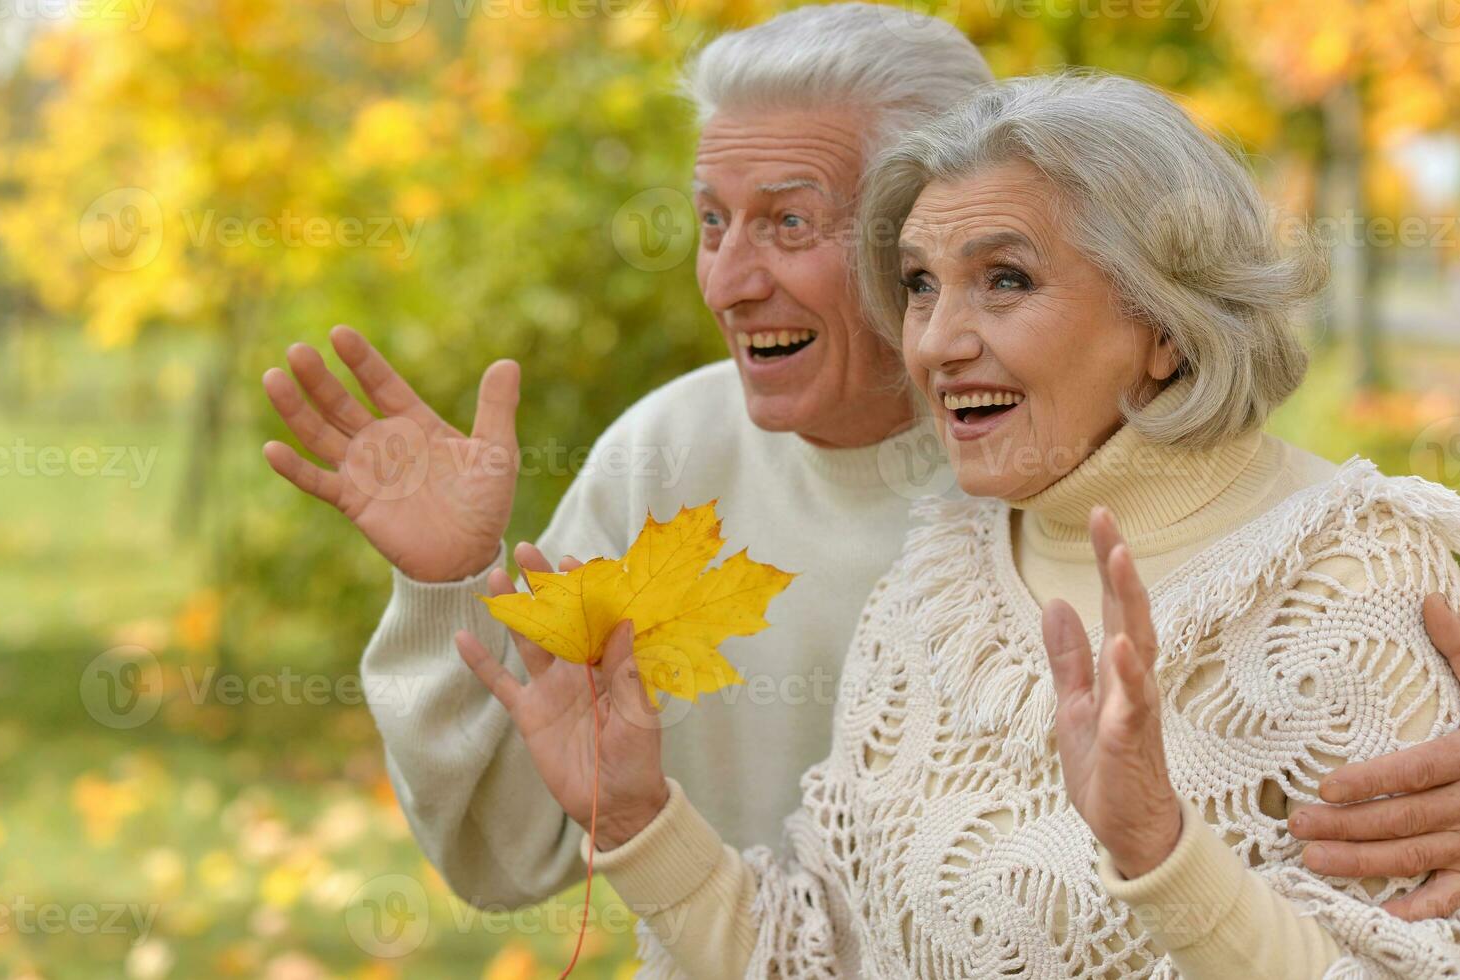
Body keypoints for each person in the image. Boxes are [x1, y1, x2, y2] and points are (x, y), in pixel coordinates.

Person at [261, 3, 1460, 921]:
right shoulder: (665, 457)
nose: (732, 279)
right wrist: (446, 589)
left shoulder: (1121, 493)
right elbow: (508, 847)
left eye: (789, 221)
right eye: (711, 220)